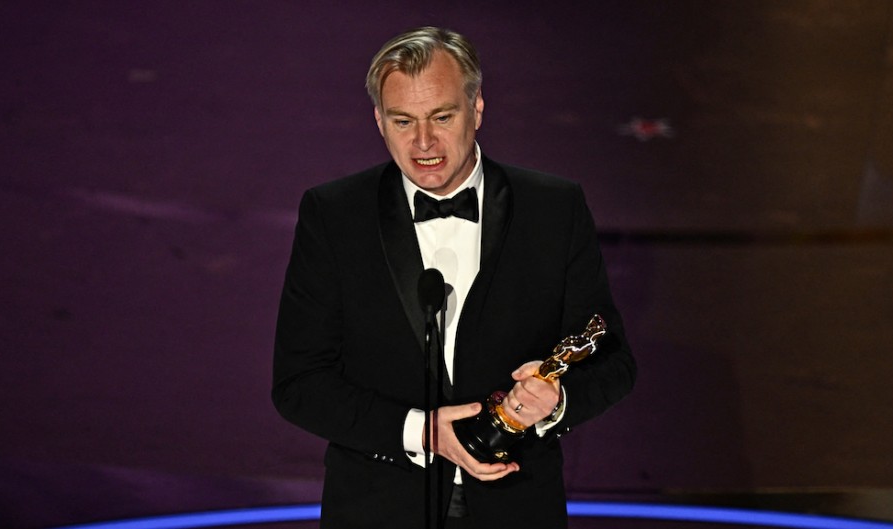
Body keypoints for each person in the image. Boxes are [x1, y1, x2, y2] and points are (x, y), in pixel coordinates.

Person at [272, 26, 636, 529]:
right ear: (378, 120)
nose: (424, 142)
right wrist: (421, 432)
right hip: (378, 508)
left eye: (442, 116)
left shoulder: (553, 208)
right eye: (403, 121)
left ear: (477, 108)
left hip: (517, 507)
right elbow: (299, 383)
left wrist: (556, 402)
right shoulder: (334, 215)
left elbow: (611, 360)